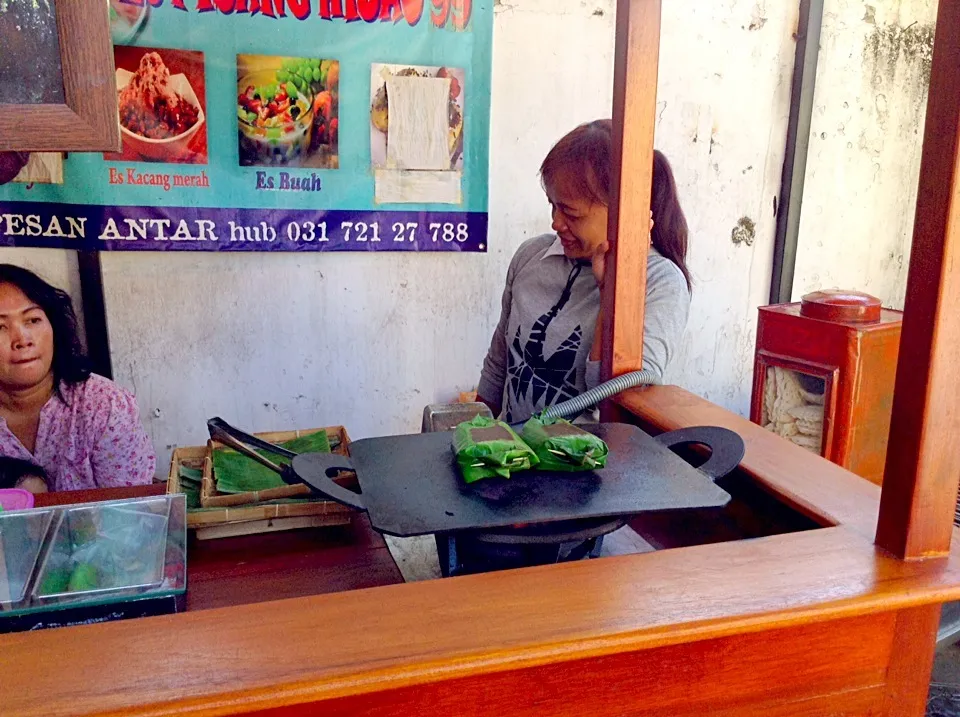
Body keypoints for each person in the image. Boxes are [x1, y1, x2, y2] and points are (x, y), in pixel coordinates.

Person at [477, 120, 692, 423]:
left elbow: (614, 396)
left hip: (585, 466)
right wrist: (469, 431)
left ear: (623, 211)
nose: (556, 223)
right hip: (511, 457)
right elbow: (500, 363)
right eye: (552, 206)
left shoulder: (660, 282)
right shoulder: (531, 257)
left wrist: (613, 290)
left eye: (571, 213)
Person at [0, 265, 156, 491]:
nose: (23, 340)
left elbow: (130, 514)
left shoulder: (104, 406)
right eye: (0, 326)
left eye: (33, 320)